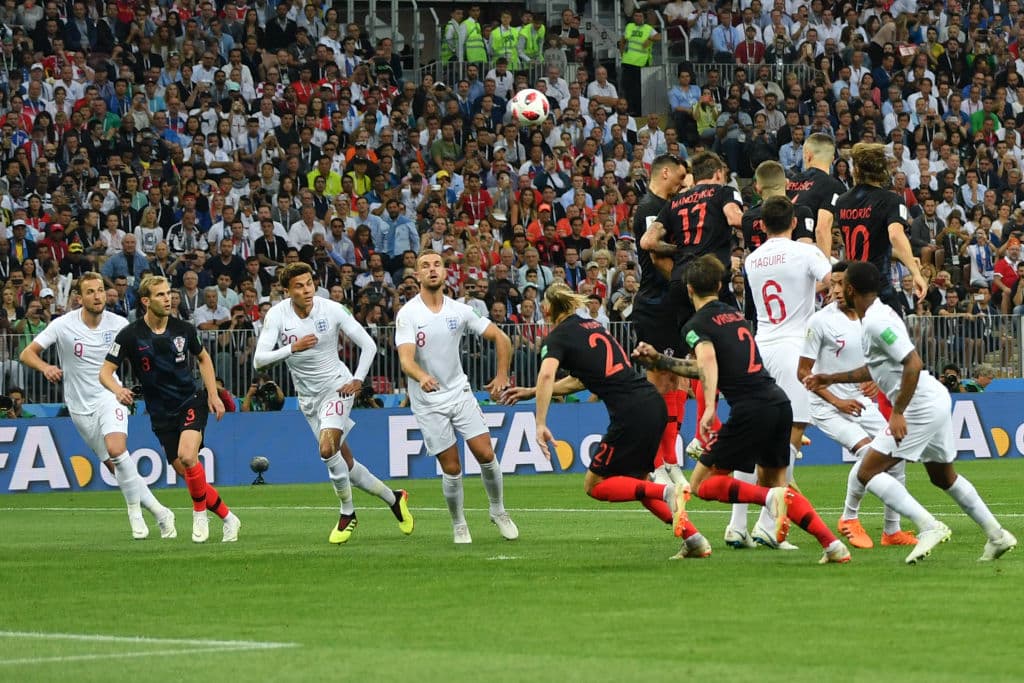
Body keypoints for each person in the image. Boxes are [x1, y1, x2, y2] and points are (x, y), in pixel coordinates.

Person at [633, 254, 851, 565]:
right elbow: (708, 366)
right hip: (777, 402)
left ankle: (761, 505)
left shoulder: (694, 325)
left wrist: (709, 408)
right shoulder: (734, 316)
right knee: (778, 485)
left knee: (701, 485)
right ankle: (832, 546)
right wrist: (661, 361)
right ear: (720, 285)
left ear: (689, 288)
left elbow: (707, 364)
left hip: (750, 410)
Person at [803, 261, 1016, 564]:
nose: (835, 290)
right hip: (935, 401)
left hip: (920, 407)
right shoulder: (872, 317)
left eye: (840, 285)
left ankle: (929, 526)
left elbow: (912, 363)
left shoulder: (877, 321)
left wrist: (898, 412)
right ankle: (997, 535)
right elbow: (875, 367)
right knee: (943, 477)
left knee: (867, 471)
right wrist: (831, 378)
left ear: (851, 289)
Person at [509, 283, 711, 559]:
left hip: (630, 413)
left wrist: (540, 422)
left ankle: (667, 491)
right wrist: (532, 392)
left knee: (595, 484)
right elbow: (580, 380)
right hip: (651, 403)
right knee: (636, 482)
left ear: (546, 309)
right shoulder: (594, 327)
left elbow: (546, 376)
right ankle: (694, 539)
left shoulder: (556, 339)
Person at [254, 262, 412, 544]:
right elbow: (259, 359)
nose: (307, 290)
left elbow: (369, 345)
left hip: (337, 387)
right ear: (287, 290)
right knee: (346, 463)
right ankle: (394, 498)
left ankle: (347, 513)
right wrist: (293, 347)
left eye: (309, 284)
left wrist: (358, 379)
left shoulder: (332, 309)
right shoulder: (277, 315)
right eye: (299, 286)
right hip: (308, 399)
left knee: (327, 450)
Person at [20, 272, 176, 541]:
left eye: (101, 290)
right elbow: (26, 353)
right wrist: (46, 367)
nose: (97, 296)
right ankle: (161, 512)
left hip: (110, 395)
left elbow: (142, 356)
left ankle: (134, 512)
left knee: (117, 450)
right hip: (79, 406)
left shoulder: (118, 324)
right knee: (117, 467)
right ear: (79, 298)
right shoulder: (63, 325)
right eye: (90, 291)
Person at [101, 275, 241, 544]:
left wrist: (213, 394)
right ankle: (228, 518)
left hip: (190, 400)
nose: (168, 299)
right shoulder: (130, 335)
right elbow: (105, 372)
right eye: (161, 295)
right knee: (189, 475)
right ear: (145, 301)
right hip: (160, 413)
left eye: (169, 294)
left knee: (189, 457)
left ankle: (199, 516)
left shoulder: (184, 329)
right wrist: (117, 390)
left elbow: (203, 357)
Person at [395, 249, 518, 544]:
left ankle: (498, 511)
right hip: (428, 401)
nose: (432, 269)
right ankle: (459, 523)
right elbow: (405, 360)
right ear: (418, 274)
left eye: (437, 264)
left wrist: (502, 376)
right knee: (452, 468)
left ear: (445, 271)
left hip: (459, 392)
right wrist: (422, 377)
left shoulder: (459, 310)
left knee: (486, 454)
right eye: (425, 266)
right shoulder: (408, 314)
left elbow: (501, 338)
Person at [797, 262, 917, 550]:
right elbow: (803, 372)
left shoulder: (869, 318)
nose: (837, 290)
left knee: (896, 454)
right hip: (827, 406)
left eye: (842, 284)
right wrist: (837, 400)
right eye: (833, 284)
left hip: (861, 403)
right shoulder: (820, 322)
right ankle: (849, 517)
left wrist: (875, 379)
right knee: (869, 454)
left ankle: (892, 531)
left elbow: (882, 359)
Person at [735, 195, 831, 549]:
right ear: (794, 222)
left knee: (756, 435)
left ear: (760, 226)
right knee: (791, 433)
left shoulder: (753, 259)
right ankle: (767, 521)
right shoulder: (805, 252)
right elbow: (832, 281)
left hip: (761, 348)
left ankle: (736, 524)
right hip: (795, 347)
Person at [640, 151, 741, 460]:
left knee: (699, 356)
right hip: (709, 281)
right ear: (720, 173)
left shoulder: (673, 204)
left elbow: (647, 242)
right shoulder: (724, 192)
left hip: (680, 284)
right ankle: (706, 431)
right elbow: (736, 219)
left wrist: (683, 248)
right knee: (732, 349)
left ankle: (699, 434)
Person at [630, 154, 689, 485]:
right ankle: (655, 462)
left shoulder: (667, 205)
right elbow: (656, 255)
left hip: (671, 305)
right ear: (664, 172)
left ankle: (670, 458)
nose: (681, 184)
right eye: (678, 177)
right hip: (655, 303)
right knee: (658, 384)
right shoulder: (650, 207)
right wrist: (686, 283)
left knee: (676, 380)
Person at [833, 143, 927, 305]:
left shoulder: (842, 201)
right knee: (895, 330)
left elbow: (866, 244)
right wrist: (915, 272)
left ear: (856, 169)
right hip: (877, 290)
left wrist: (905, 257)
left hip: (852, 288)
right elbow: (896, 235)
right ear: (883, 170)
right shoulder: (891, 200)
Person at [785, 133, 847, 256]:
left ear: (807, 156)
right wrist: (825, 266)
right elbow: (822, 228)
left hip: (782, 251)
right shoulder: (834, 185)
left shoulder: (790, 182)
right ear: (833, 158)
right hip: (808, 252)